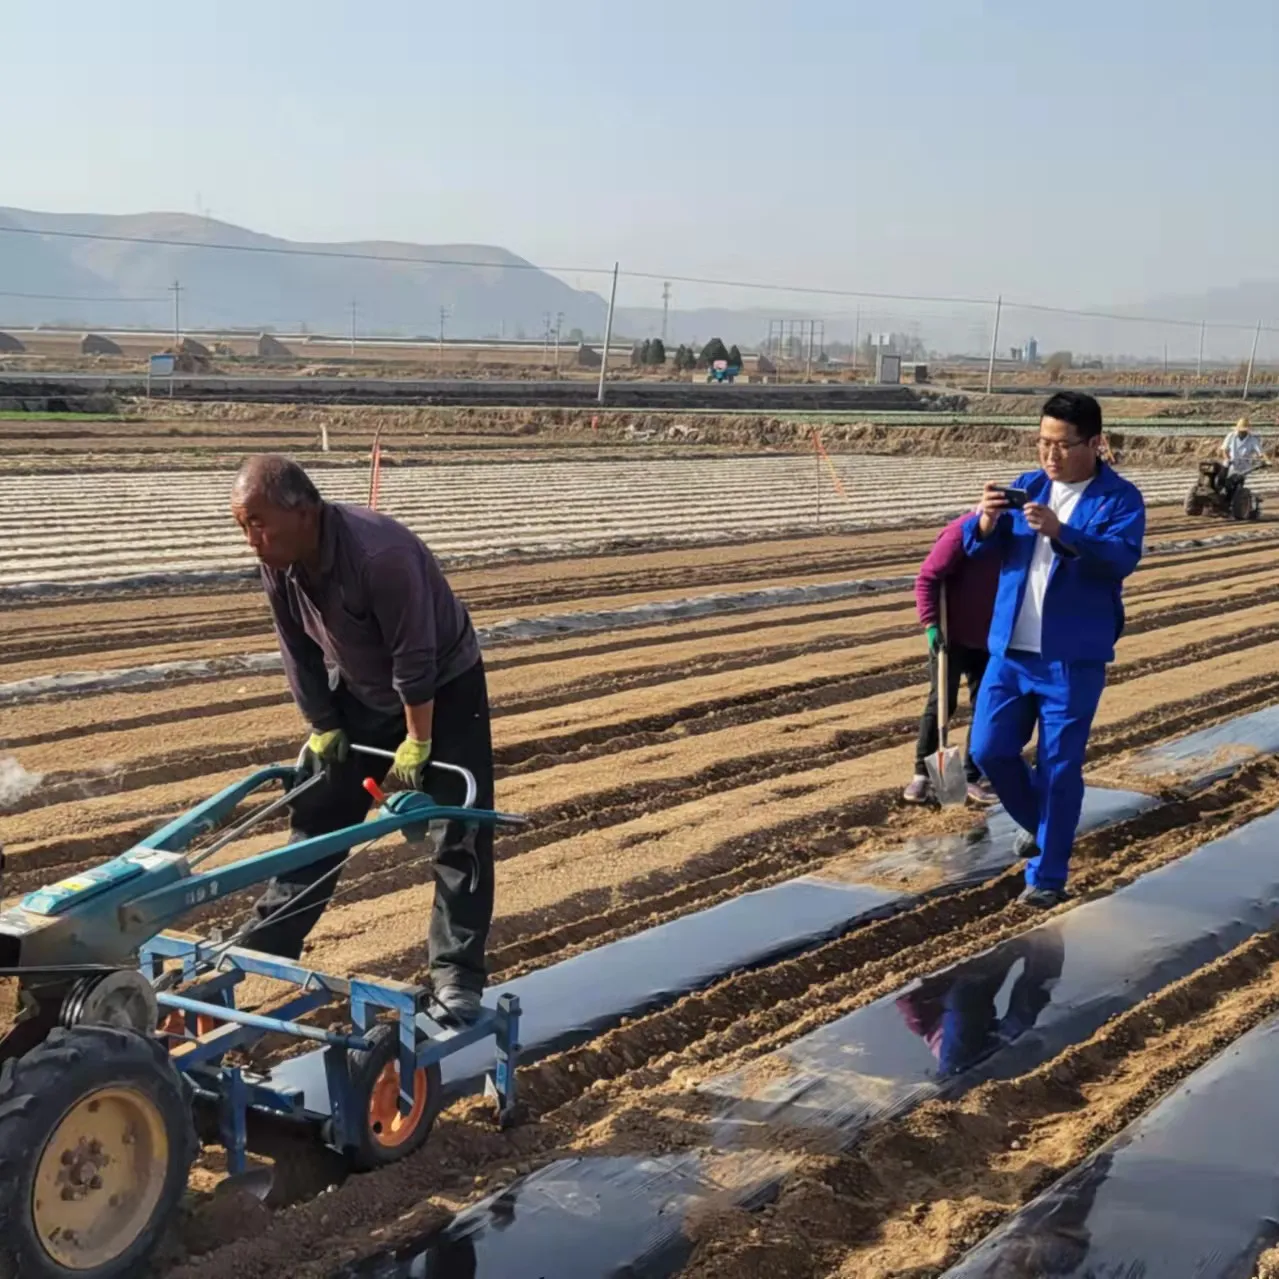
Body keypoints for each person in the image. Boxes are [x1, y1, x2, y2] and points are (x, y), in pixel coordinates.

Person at [229, 454, 493, 1025]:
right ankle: (264, 945)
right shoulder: (279, 560)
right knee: (319, 813)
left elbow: (415, 658)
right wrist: (323, 725)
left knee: (459, 827)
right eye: (241, 526)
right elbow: (296, 651)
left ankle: (456, 977)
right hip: (357, 685)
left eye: (258, 522)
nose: (251, 538)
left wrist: (418, 744)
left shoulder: (381, 555)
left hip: (443, 688)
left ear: (304, 512)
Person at [963, 392, 1145, 909]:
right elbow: (984, 549)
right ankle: (1042, 826)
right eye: (1043, 442)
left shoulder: (1120, 498)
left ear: (1094, 443)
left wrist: (1064, 533)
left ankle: (1047, 877)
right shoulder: (1027, 487)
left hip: (1071, 656)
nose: (1050, 455)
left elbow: (1118, 560)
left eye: (1063, 445)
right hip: (1010, 653)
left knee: (1059, 765)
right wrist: (984, 524)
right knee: (988, 750)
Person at [904, 514, 1000, 806]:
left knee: (983, 703)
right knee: (942, 701)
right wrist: (930, 624)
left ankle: (971, 776)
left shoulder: (1011, 537)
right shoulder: (958, 535)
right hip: (950, 636)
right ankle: (922, 773)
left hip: (987, 636)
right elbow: (926, 579)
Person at [1219, 415, 1265, 496]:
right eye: (1241, 431)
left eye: (1244, 431)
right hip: (1231, 464)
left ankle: (1235, 498)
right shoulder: (1231, 436)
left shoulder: (1252, 439)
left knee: (1238, 484)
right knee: (1224, 479)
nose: (1242, 432)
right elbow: (1224, 449)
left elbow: (1260, 453)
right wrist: (1227, 458)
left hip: (1244, 466)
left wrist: (1265, 460)